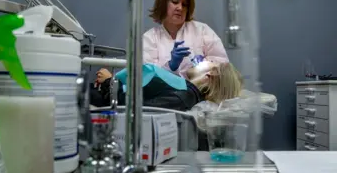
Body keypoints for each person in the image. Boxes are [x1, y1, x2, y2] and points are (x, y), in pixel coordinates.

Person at [143, 0, 229, 79]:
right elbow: (147, 77)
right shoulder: (149, 39)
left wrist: (204, 66)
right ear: (163, 3)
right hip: (163, 94)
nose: (180, 8)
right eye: (175, 2)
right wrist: (170, 66)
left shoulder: (202, 31)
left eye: (184, 5)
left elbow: (224, 65)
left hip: (200, 93)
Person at [90, 61, 243, 110]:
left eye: (205, 61)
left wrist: (109, 83)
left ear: (210, 74)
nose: (198, 61)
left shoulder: (183, 97)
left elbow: (136, 110)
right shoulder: (182, 89)